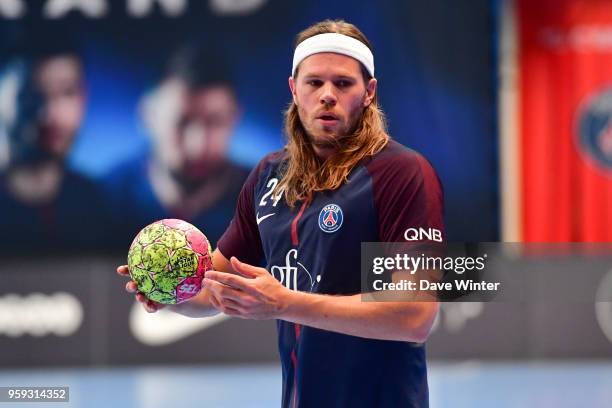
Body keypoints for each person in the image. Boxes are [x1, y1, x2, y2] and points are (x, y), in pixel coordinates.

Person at [118, 20, 444, 407]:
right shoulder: (268, 175)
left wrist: (285, 302)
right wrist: (170, 291)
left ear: (369, 92)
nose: (327, 95)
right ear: (294, 88)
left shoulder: (403, 173)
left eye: (343, 84)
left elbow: (415, 315)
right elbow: (216, 287)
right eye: (314, 82)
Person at [105, 46, 249, 248]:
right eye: (181, 122)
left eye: (215, 121)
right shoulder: (105, 199)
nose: (196, 145)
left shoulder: (265, 200)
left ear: (235, 116)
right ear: (148, 114)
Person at [0, 43, 108, 251]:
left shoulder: (98, 205)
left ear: (83, 99)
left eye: (67, 92)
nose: (49, 115)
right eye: (30, 94)